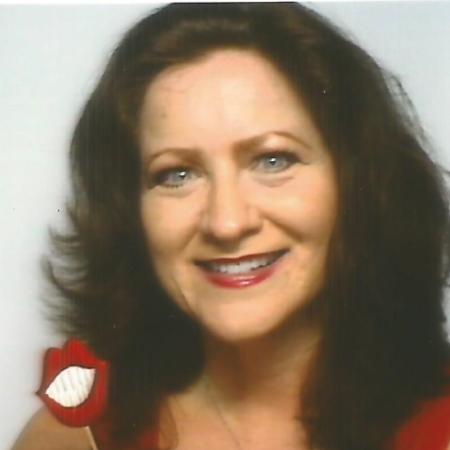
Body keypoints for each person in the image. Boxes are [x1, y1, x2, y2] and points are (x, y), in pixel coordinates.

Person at [12, 3, 450, 450]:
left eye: (273, 160)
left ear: (355, 182)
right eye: (177, 174)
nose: (227, 222)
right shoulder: (74, 437)